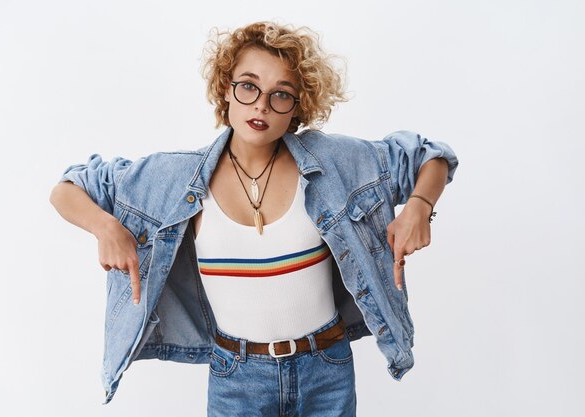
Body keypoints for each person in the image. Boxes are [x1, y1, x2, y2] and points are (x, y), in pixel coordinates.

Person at [50, 21, 458, 416]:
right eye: (248, 86)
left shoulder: (334, 163)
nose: (261, 104)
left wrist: (420, 206)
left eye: (281, 94)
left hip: (327, 368)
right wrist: (107, 228)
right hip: (237, 377)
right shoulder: (172, 178)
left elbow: (430, 155)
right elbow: (68, 189)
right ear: (225, 89)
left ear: (298, 107)